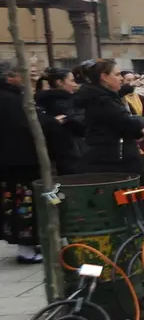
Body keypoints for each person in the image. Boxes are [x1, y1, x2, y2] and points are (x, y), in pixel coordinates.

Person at [0, 62, 43, 264]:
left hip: (14, 162)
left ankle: (28, 245)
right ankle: (25, 249)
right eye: (22, 74)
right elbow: (22, 128)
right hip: (19, 163)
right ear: (10, 77)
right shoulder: (9, 99)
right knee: (23, 204)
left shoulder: (12, 97)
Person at [76, 59, 144, 178]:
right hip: (115, 162)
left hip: (114, 157)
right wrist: (140, 120)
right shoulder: (102, 100)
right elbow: (129, 124)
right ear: (104, 77)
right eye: (117, 74)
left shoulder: (102, 96)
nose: (121, 78)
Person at [35, 68, 85, 175]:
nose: (75, 84)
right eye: (71, 81)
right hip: (71, 150)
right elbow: (78, 123)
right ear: (60, 82)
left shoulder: (45, 100)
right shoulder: (62, 102)